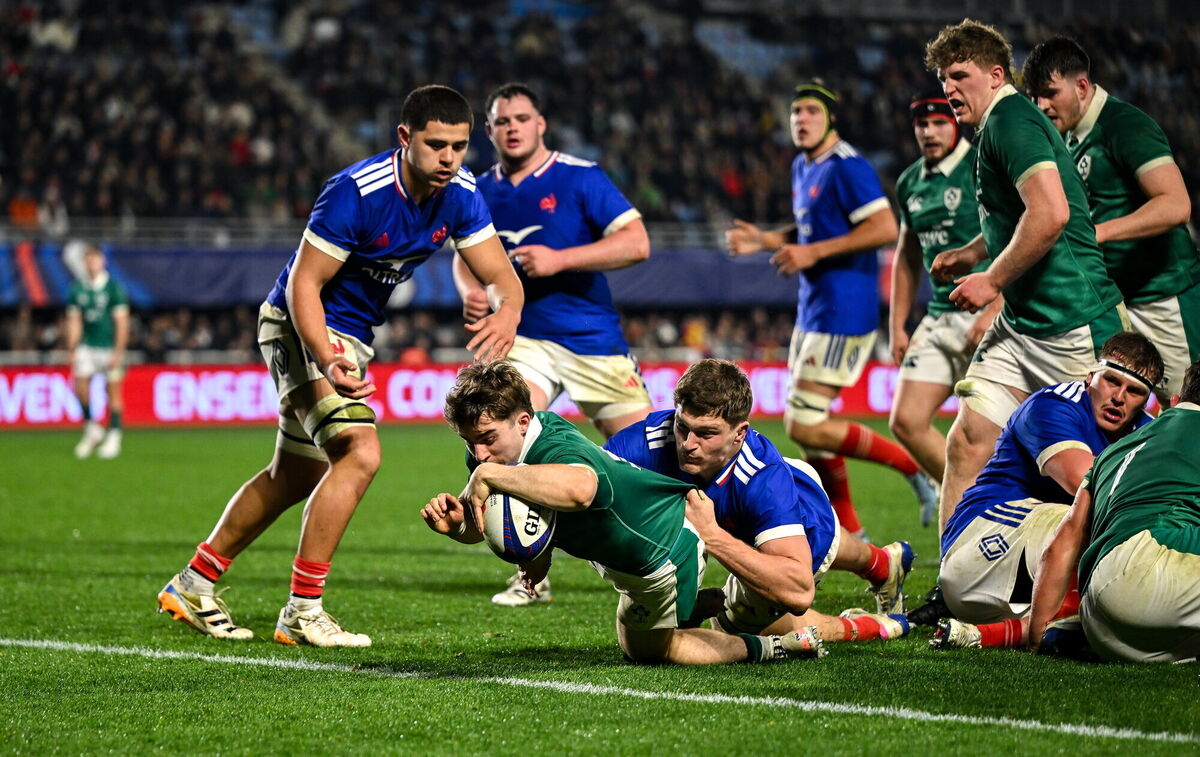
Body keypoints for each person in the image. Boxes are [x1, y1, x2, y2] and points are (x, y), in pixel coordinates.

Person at [156, 85, 524, 647]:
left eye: (459, 146)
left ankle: (194, 582)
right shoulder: (356, 192)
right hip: (301, 324)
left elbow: (501, 277)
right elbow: (306, 284)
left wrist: (508, 313)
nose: (449, 158)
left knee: (295, 475)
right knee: (360, 452)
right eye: (436, 145)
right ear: (405, 139)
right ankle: (303, 611)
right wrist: (327, 354)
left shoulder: (462, 193)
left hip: (351, 337)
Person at [421, 361, 826, 665]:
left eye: (488, 440)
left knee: (649, 652)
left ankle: (768, 643)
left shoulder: (557, 447)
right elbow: (489, 520)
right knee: (648, 639)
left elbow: (581, 489)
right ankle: (725, 617)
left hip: (664, 555)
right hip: (636, 552)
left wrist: (489, 475)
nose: (480, 454)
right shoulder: (494, 454)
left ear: (524, 422)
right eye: (471, 443)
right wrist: (457, 526)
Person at [454, 82, 653, 606]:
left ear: (541, 123)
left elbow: (638, 242)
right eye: (501, 121)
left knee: (649, 456)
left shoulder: (580, 177)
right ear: (490, 130)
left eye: (522, 117)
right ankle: (530, 571)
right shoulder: (478, 189)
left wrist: (561, 260)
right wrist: (472, 292)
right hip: (526, 340)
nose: (512, 127)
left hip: (593, 338)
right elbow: (462, 253)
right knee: (502, 438)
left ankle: (677, 545)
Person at [924, 20, 1126, 530]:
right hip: (1022, 325)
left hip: (1076, 321)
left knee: (1101, 471)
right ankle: (954, 583)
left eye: (959, 75)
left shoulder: (1010, 120)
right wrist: (975, 251)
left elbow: (1051, 213)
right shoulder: (997, 124)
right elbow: (1020, 214)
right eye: (943, 79)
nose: (948, 88)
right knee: (969, 439)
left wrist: (991, 278)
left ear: (995, 75)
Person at [725, 80, 936, 541]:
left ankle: (915, 470)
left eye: (811, 112)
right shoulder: (804, 166)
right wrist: (765, 240)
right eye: (795, 111)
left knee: (802, 421)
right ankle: (852, 530)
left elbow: (883, 227)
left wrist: (814, 254)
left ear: (830, 119)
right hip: (813, 309)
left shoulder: (847, 166)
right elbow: (807, 229)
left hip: (845, 309)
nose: (801, 119)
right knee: (808, 430)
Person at [604, 359, 915, 644]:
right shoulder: (645, 441)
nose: (688, 444)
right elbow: (590, 491)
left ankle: (864, 627)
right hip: (767, 500)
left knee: (733, 626)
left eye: (706, 433)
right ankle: (883, 564)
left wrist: (711, 536)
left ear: (740, 433)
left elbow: (799, 589)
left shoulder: (762, 479)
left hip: (799, 508)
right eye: (682, 426)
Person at [927, 333, 1161, 651]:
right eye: (1111, 381)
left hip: (1039, 577)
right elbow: (1083, 481)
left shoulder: (1148, 431)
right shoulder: (1053, 406)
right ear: (1090, 376)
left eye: (1134, 391)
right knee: (1083, 514)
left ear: (1145, 401)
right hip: (977, 551)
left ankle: (993, 633)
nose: (1119, 397)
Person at [1023, 36, 1200, 400]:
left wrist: (1097, 233)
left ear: (1082, 86)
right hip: (1116, 302)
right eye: (1035, 97)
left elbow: (1176, 205)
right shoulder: (1069, 141)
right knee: (1100, 409)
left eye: (1051, 93)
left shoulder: (1124, 125)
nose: (1042, 106)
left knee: (1187, 411)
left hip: (1166, 298)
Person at [1030, 359, 1200, 663]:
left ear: (1175, 402)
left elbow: (1064, 541)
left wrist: (1035, 639)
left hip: (1100, 618)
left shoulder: (1112, 451)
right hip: (1160, 577)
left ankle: (1069, 631)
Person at [889, 94, 997, 525]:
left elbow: (1018, 233)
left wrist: (998, 303)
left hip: (987, 311)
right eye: (921, 125)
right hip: (937, 314)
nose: (928, 132)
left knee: (991, 434)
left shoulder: (983, 166)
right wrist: (897, 325)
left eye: (937, 123)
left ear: (955, 125)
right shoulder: (909, 181)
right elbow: (906, 254)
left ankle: (990, 507)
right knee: (906, 421)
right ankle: (977, 505)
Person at [66, 244, 129, 459]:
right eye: (88, 261)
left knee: (112, 391)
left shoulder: (113, 289)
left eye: (95, 260)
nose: (91, 265)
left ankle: (114, 435)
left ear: (102, 262)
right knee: (80, 386)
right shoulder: (78, 289)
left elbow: (121, 323)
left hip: (108, 347)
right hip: (87, 345)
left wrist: (118, 352)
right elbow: (75, 321)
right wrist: (72, 347)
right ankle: (92, 428)